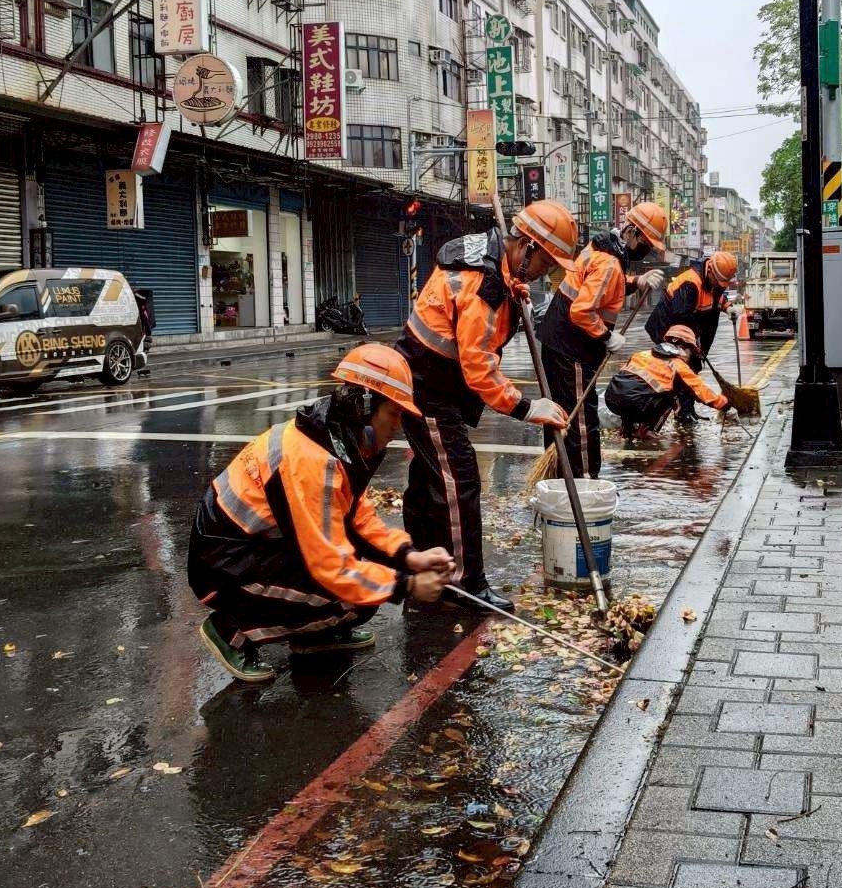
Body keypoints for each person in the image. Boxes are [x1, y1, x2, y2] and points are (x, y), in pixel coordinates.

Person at [189, 344, 455, 683]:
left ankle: (313, 636)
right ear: (365, 407)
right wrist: (409, 584)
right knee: (358, 595)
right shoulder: (311, 460)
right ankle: (230, 631)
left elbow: (358, 516)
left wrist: (409, 557)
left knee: (369, 581)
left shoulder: (336, 440)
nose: (398, 427)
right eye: (395, 414)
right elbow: (331, 567)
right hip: (222, 568)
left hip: (251, 550)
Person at [397, 199, 578, 613]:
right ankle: (464, 583)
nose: (546, 273)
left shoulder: (495, 263)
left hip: (436, 382)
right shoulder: (485, 283)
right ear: (526, 247)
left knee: (430, 483)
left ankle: (424, 581)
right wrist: (527, 407)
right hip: (429, 386)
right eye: (545, 263)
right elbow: (478, 367)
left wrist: (517, 292)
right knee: (459, 482)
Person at [535, 201, 668, 477]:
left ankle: (560, 479)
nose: (648, 248)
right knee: (581, 419)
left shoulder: (604, 248)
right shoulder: (609, 260)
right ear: (630, 231)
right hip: (571, 345)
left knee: (561, 414)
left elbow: (606, 287)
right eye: (645, 240)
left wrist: (637, 282)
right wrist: (607, 336)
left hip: (562, 342)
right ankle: (583, 483)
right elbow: (582, 311)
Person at [644, 250, 739, 423]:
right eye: (718, 281)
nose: (720, 285)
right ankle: (681, 412)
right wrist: (694, 343)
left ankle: (689, 410)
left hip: (691, 331)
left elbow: (717, 297)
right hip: (669, 329)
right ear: (710, 270)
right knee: (680, 371)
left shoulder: (713, 281)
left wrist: (728, 307)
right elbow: (682, 315)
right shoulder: (690, 281)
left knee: (692, 369)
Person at [604, 325, 731, 441]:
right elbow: (700, 391)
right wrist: (724, 405)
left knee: (637, 393)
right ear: (685, 348)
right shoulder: (678, 365)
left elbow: (627, 383)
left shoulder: (641, 354)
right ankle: (645, 430)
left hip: (612, 399)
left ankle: (625, 430)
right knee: (672, 395)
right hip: (637, 404)